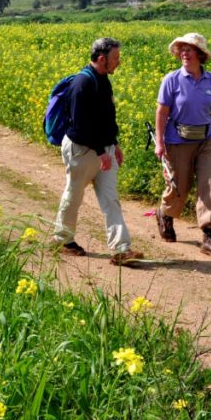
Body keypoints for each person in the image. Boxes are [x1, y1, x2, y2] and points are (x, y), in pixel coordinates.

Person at [52, 37, 144, 265]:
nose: (118, 63)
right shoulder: (82, 84)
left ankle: (121, 249)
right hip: (82, 150)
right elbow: (80, 126)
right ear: (102, 59)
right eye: (115, 58)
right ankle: (63, 240)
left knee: (111, 199)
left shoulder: (103, 80)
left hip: (103, 150)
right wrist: (101, 151)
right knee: (74, 194)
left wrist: (113, 144)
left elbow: (105, 118)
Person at [153, 32, 211, 258]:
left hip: (208, 140)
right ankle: (165, 214)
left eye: (190, 49)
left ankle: (209, 235)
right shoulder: (172, 80)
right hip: (178, 141)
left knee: (210, 185)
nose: (184, 53)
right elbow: (162, 111)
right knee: (180, 187)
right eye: (182, 50)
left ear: (200, 54)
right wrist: (160, 142)